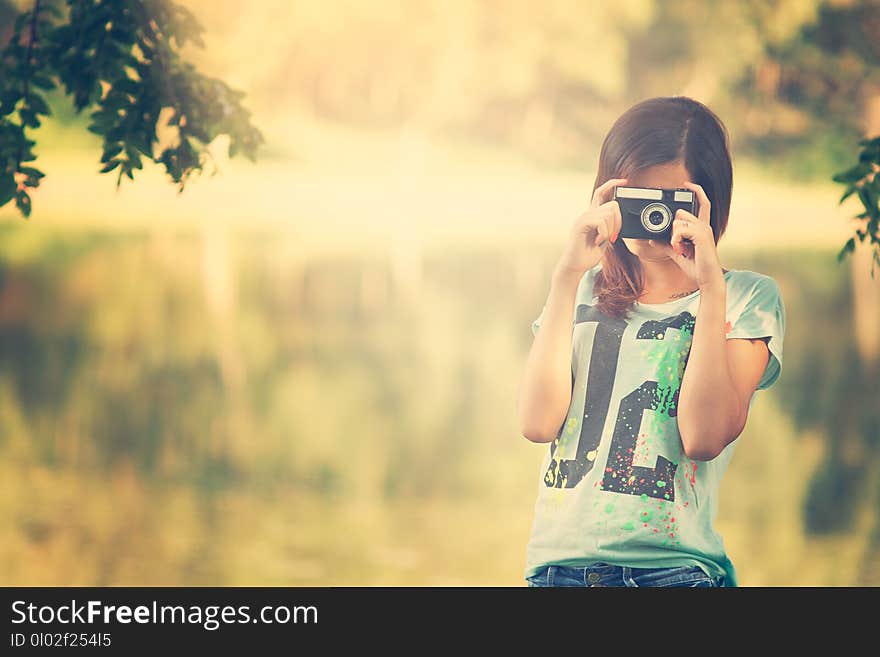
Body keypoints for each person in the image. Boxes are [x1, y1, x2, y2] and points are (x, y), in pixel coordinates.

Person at [516, 96, 785, 588]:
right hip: (557, 569)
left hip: (673, 572)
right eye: (634, 198)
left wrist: (710, 290)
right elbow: (536, 423)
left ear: (706, 203)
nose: (650, 218)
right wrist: (566, 273)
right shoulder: (578, 289)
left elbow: (703, 438)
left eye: (666, 203)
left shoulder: (745, 298)